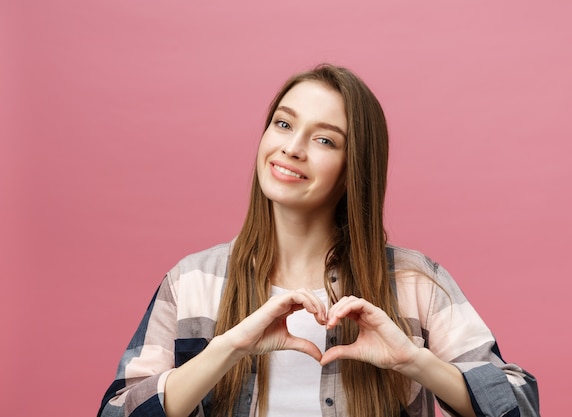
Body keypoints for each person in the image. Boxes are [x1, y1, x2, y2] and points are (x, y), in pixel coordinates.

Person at [98, 64, 540, 417]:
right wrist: (227, 348)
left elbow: (519, 403)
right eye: (283, 124)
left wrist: (415, 362)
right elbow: (117, 411)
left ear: (354, 169)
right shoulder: (192, 281)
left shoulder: (413, 283)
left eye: (325, 139)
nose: (293, 148)